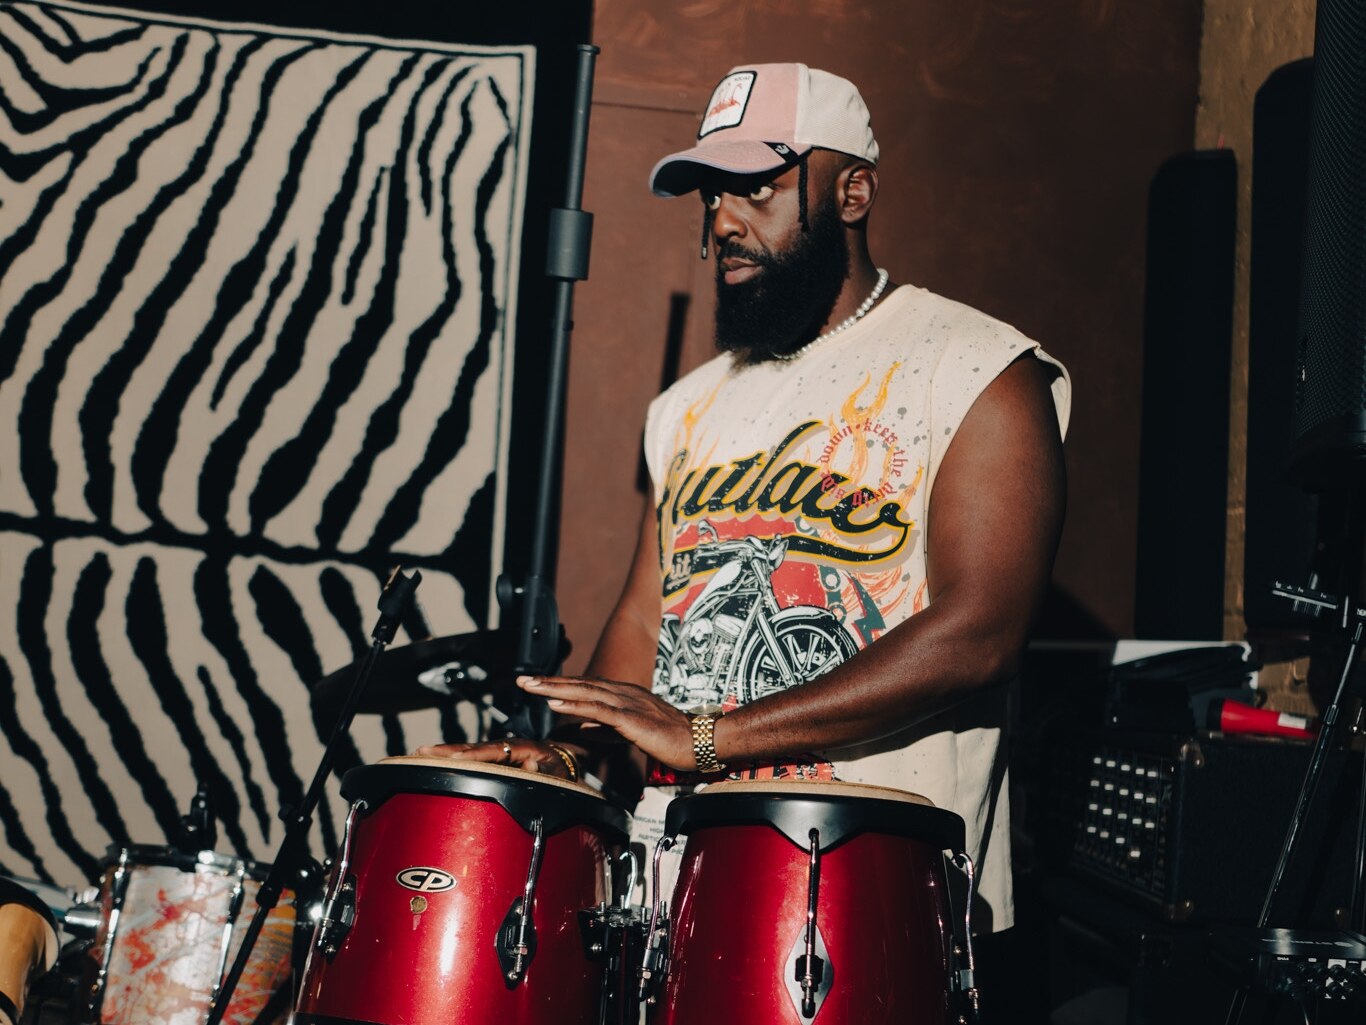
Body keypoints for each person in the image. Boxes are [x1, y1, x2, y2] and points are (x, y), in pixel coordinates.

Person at [420, 62, 1069, 939]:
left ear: (853, 192)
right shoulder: (684, 407)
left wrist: (708, 737)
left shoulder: (977, 369)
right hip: (666, 884)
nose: (723, 219)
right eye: (712, 195)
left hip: (866, 899)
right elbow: (648, 619)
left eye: (758, 188)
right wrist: (571, 752)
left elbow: (980, 633)